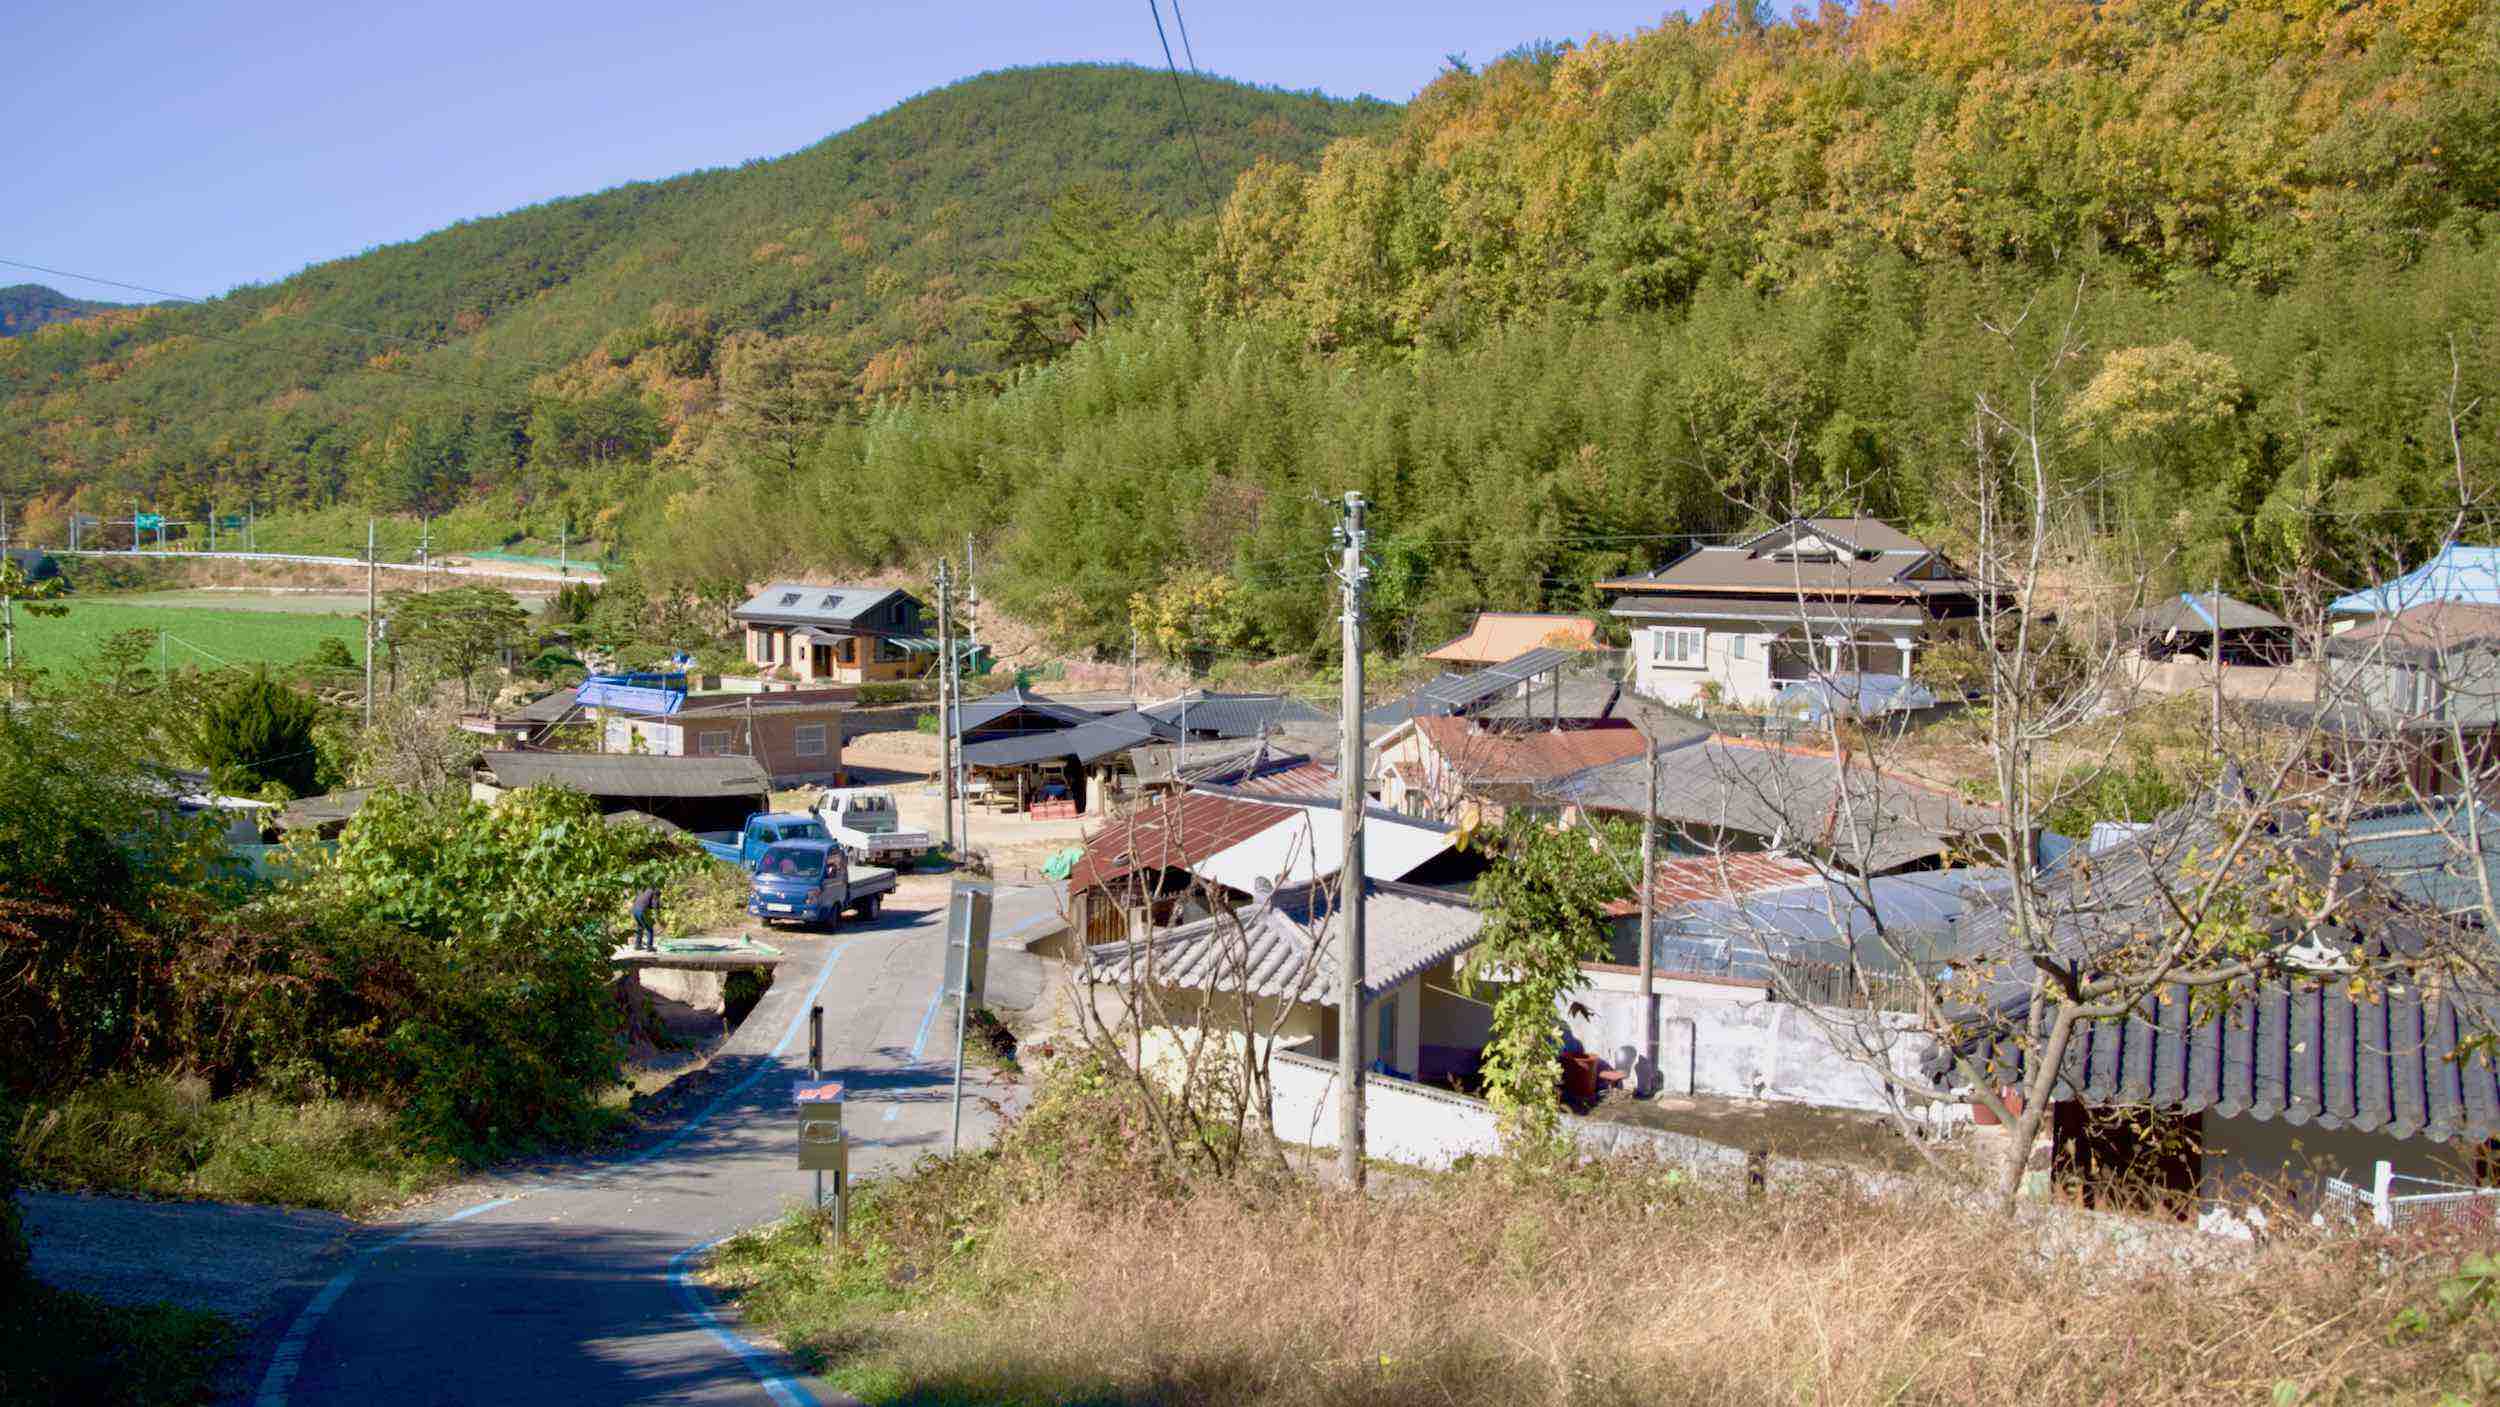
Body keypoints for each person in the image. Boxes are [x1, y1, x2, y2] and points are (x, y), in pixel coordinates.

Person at [630, 885, 660, 952]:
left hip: (634, 909)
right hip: (641, 910)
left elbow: (646, 902)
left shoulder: (645, 891)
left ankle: (637, 945)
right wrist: (657, 910)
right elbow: (654, 904)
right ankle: (649, 947)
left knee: (640, 927)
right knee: (649, 929)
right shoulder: (654, 893)